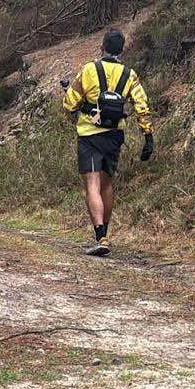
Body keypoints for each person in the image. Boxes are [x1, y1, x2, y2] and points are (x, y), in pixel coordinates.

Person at [62, 28, 153, 256]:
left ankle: (100, 236)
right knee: (106, 185)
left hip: (89, 133)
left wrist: (68, 93)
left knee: (91, 185)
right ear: (121, 50)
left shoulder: (89, 69)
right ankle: (106, 234)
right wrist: (148, 136)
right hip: (114, 135)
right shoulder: (129, 75)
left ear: (102, 47)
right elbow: (141, 105)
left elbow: (70, 104)